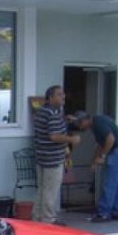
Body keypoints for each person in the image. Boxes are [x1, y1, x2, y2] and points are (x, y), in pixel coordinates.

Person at [71, 111, 118, 223]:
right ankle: (116, 211)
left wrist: (102, 156)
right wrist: (94, 160)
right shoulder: (95, 126)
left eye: (80, 125)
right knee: (116, 183)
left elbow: (110, 139)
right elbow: (100, 144)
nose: (80, 128)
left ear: (84, 120)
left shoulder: (98, 121)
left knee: (109, 182)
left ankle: (104, 213)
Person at [32, 86, 80, 225]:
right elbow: (54, 136)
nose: (63, 97)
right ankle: (48, 219)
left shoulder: (42, 111)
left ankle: (37, 218)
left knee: (42, 189)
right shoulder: (53, 113)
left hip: (41, 157)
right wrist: (72, 139)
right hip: (52, 159)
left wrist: (65, 119)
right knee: (50, 191)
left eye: (63, 94)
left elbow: (50, 127)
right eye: (59, 94)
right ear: (50, 97)